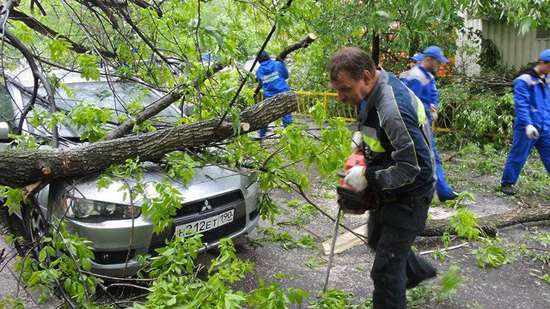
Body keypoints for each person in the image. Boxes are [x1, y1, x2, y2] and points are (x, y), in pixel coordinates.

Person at [330, 46, 437, 309]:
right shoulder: (373, 89)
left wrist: (368, 176)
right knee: (377, 239)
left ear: (366, 76)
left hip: (411, 194)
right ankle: (417, 272)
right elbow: (382, 135)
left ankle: (398, 279)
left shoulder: (392, 109)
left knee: (385, 274)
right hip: (390, 186)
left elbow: (414, 169)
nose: (340, 98)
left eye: (344, 89)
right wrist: (364, 145)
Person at [400, 45, 458, 202]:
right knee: (430, 157)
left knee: (427, 157)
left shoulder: (427, 76)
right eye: (438, 62)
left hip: (421, 123)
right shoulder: (416, 77)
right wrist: (427, 109)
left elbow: (431, 96)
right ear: (428, 60)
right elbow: (408, 103)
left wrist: (432, 106)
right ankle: (440, 191)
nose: (440, 65)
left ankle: (437, 190)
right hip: (416, 125)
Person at [501, 49, 550, 195]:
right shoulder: (524, 80)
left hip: (545, 126)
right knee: (518, 155)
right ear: (542, 63)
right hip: (527, 127)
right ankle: (507, 183)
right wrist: (528, 124)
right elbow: (521, 105)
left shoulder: (547, 79)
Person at [255, 51, 293, 138]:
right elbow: (286, 76)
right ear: (268, 56)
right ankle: (290, 141)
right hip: (284, 96)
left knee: (265, 119)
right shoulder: (278, 64)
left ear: (258, 61)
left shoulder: (258, 71)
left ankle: (260, 138)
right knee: (287, 120)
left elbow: (261, 82)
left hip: (270, 99)